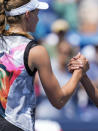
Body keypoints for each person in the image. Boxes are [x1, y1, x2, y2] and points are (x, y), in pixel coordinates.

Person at [0, 0, 87, 131]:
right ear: (28, 15)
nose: (38, 19)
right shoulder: (36, 51)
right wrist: (79, 73)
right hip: (17, 126)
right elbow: (59, 100)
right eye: (37, 13)